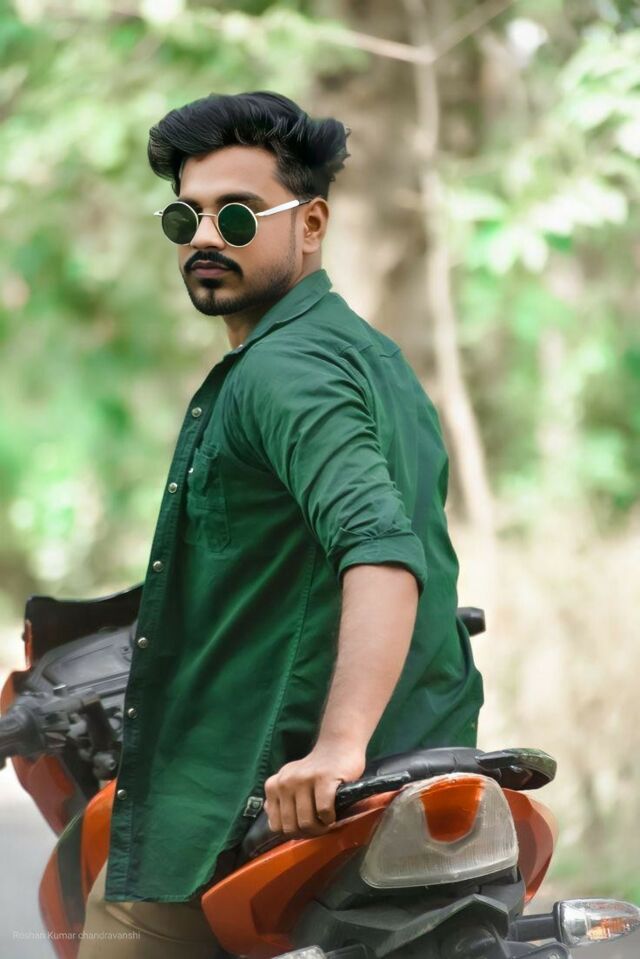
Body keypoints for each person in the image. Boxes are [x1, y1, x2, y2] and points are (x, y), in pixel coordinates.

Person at [78, 90, 484, 958]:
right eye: (185, 216)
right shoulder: (369, 356)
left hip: (269, 798)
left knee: (120, 919)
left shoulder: (282, 370)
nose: (205, 237)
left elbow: (380, 547)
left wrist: (337, 746)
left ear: (312, 223)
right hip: (423, 760)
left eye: (236, 214)